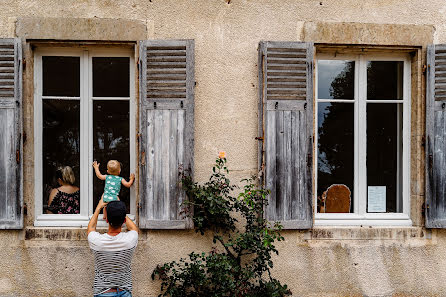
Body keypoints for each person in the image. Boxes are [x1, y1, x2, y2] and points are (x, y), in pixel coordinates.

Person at [87, 198, 139, 297]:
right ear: (124, 220)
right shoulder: (130, 240)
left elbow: (91, 228)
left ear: (106, 220)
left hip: (103, 293)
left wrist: (99, 207)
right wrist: (119, 208)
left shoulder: (98, 242)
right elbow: (133, 228)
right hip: (125, 292)